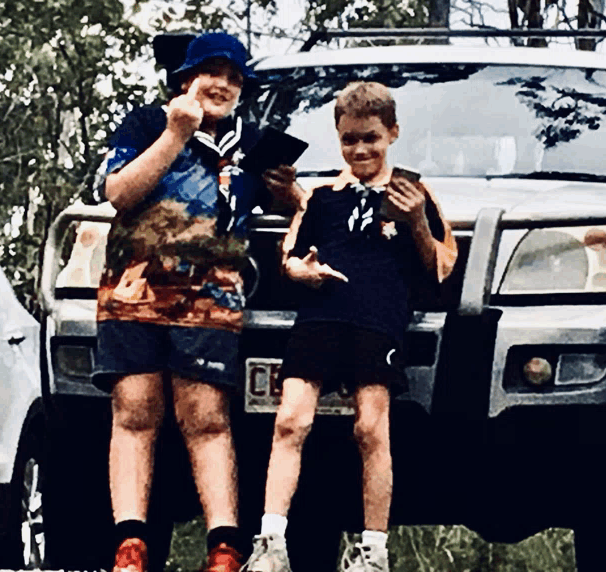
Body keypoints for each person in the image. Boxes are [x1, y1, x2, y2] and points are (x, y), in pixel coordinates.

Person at [91, 32, 303, 572]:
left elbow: (294, 212)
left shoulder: (253, 145)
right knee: (134, 411)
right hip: (134, 289)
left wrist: (288, 195)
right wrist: (174, 134)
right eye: (212, 72)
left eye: (235, 79)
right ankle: (130, 544)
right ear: (185, 77)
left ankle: (225, 546)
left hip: (212, 297)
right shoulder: (144, 123)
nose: (224, 85)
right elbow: (117, 193)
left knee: (206, 415)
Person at [241, 81, 457, 572]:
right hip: (320, 315)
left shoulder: (414, 193)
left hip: (377, 320)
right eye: (349, 140)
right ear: (338, 138)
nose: (360, 149)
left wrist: (418, 223)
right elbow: (289, 258)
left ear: (392, 134)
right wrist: (302, 270)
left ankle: (372, 551)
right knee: (290, 420)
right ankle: (271, 544)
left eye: (371, 138)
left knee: (370, 428)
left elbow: (439, 268)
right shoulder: (320, 197)